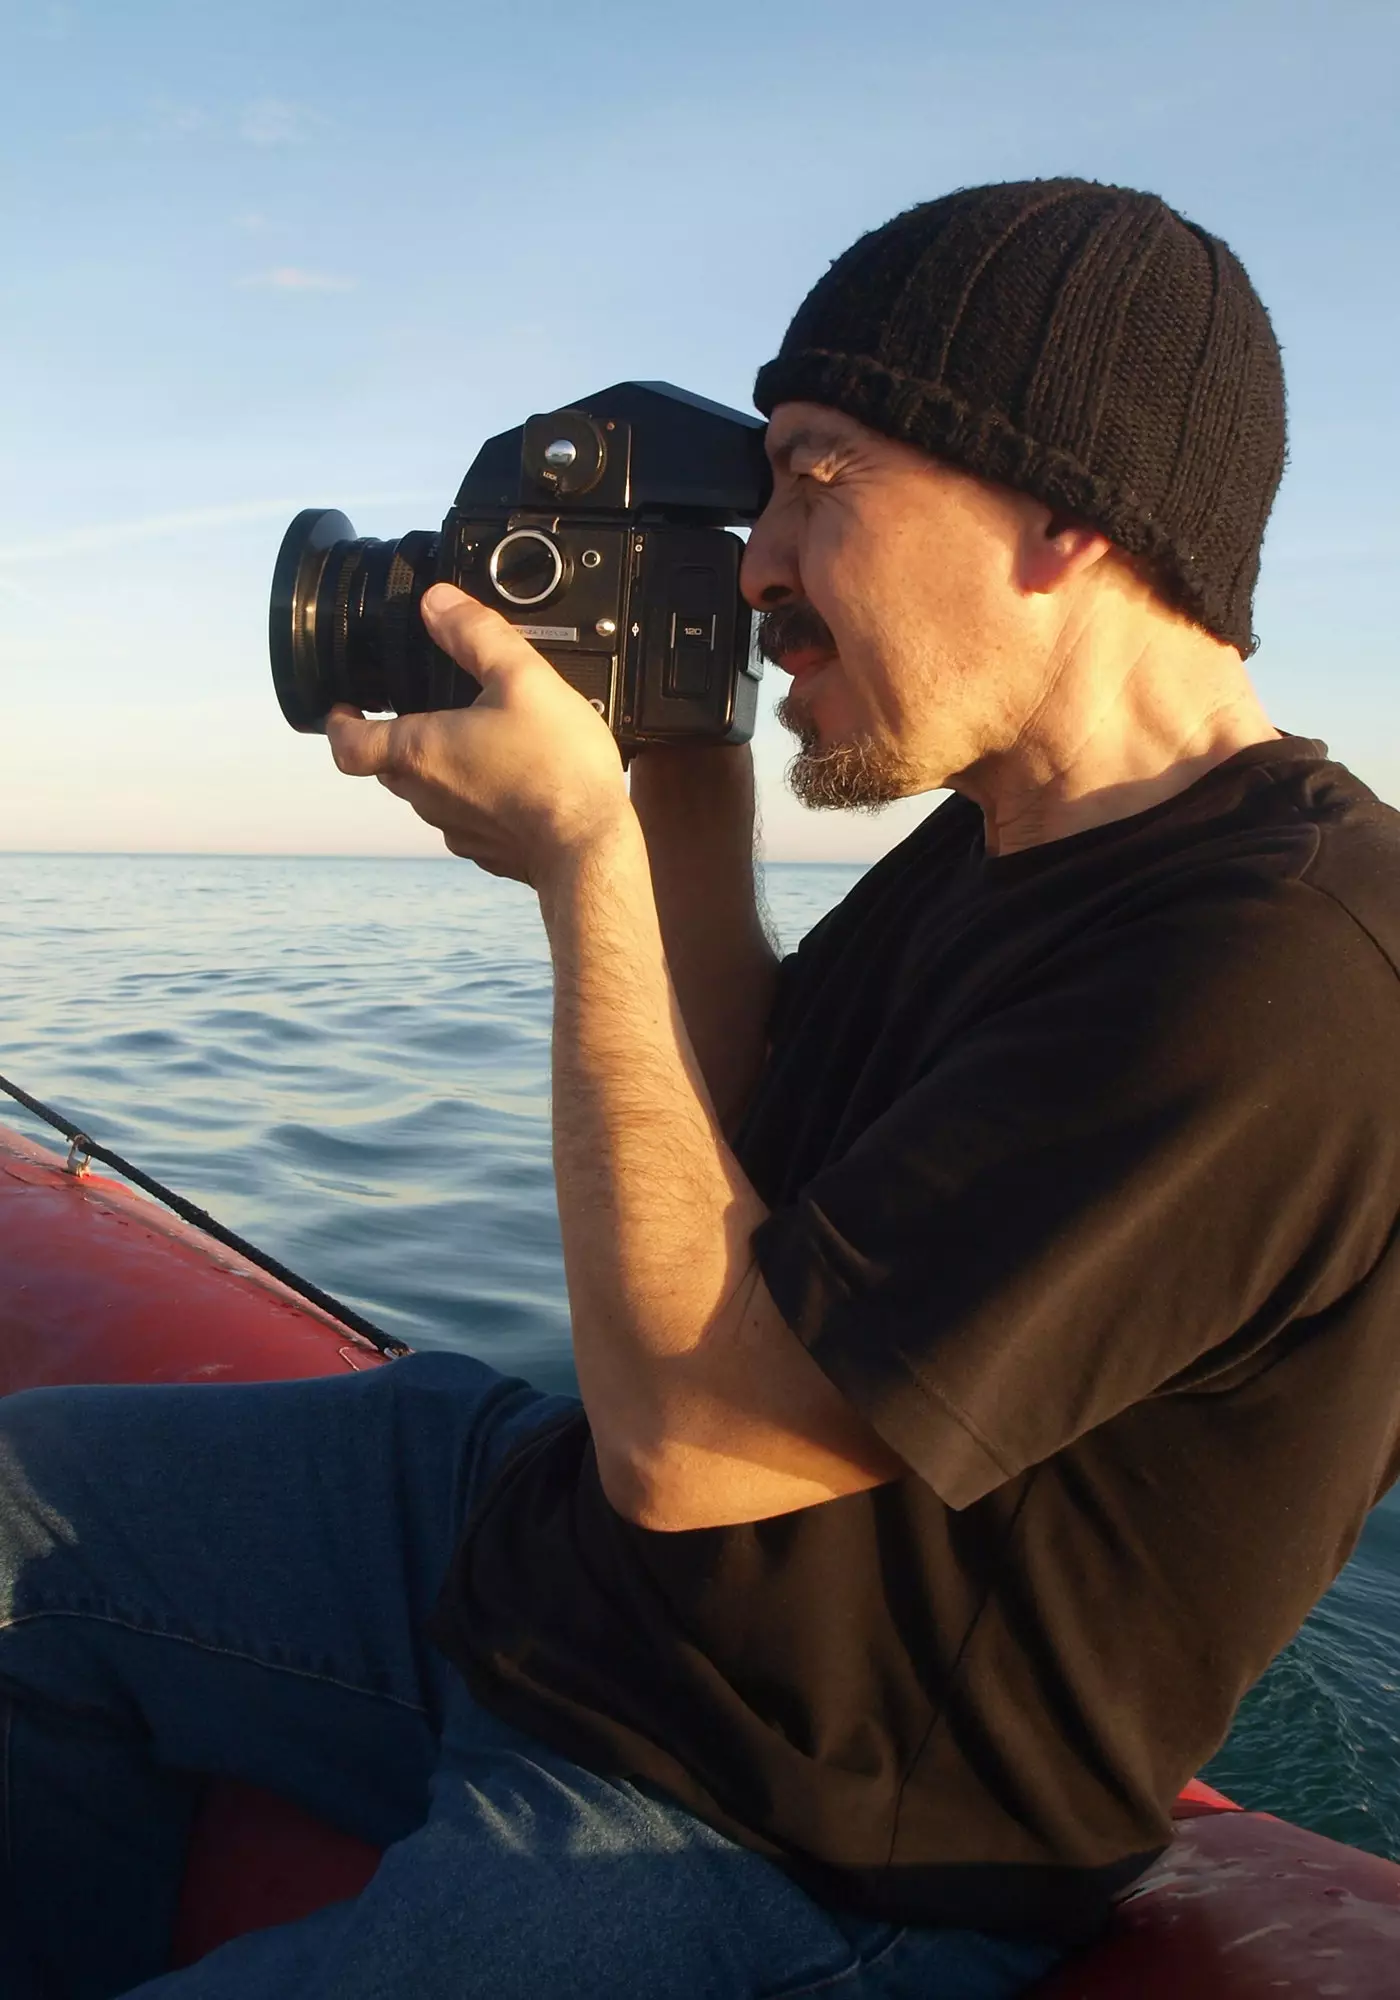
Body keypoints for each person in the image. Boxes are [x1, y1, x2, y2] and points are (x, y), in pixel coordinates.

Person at [3, 177, 1399, 2000]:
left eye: (819, 477)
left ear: (1067, 516)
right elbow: (740, 1130)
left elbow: (699, 1446)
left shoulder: (1284, 966)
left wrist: (586, 872)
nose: (753, 562)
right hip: (559, 1570)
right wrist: (676, 785)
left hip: (799, 1819)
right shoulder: (1006, 827)